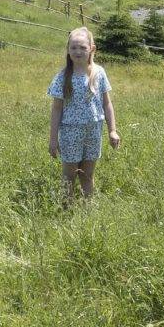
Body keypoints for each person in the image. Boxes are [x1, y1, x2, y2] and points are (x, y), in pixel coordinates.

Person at [48, 27, 120, 204]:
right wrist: (53, 139)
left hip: (93, 132)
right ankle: (66, 207)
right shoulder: (63, 77)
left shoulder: (99, 73)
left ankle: (88, 208)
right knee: (69, 174)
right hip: (70, 133)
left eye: (82, 47)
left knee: (87, 174)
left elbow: (106, 103)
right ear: (68, 50)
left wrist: (112, 131)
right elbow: (56, 109)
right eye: (73, 47)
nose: (77, 51)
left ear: (92, 49)